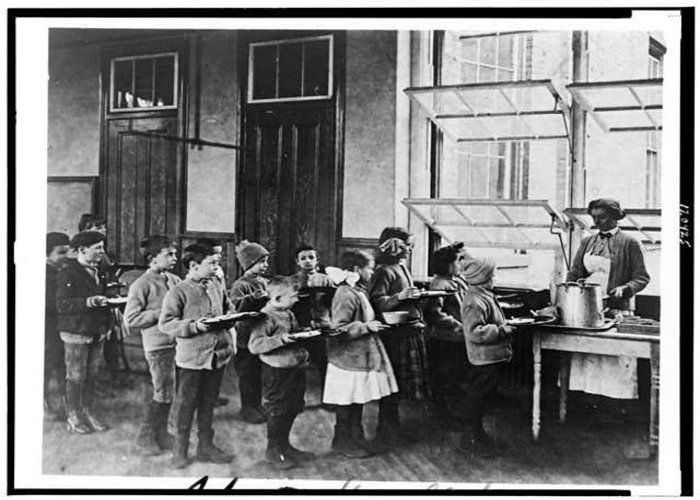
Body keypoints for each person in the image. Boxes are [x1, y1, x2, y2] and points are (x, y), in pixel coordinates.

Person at [159, 244, 236, 468]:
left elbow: (227, 307)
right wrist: (194, 326)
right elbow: (166, 323)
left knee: (208, 402)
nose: (217, 266)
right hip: (192, 359)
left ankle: (205, 447)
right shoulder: (179, 291)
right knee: (187, 404)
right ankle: (180, 449)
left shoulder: (215, 284)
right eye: (211, 263)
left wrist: (231, 316)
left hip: (217, 356)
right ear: (193, 266)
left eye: (216, 262)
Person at [566, 198, 650, 403]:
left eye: (602, 217)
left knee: (614, 361)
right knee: (587, 358)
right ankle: (588, 403)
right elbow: (575, 271)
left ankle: (616, 407)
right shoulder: (587, 241)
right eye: (594, 218)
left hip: (617, 309)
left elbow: (642, 277)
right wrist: (572, 286)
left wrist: (625, 288)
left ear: (614, 216)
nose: (597, 222)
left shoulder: (630, 242)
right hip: (588, 307)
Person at [324, 250, 397, 458]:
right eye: (369, 268)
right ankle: (343, 440)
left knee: (357, 398)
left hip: (358, 354)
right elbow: (339, 328)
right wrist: (366, 327)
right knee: (347, 399)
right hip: (348, 358)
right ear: (356, 269)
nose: (372, 272)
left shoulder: (358, 290)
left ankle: (357, 437)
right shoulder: (345, 293)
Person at [368, 227, 429, 445]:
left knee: (400, 384)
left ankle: (392, 426)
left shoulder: (401, 267)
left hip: (408, 332)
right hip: (395, 336)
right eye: (408, 245)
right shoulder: (383, 271)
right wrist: (400, 296)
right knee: (391, 384)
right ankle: (385, 429)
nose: (412, 249)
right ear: (395, 246)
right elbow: (377, 301)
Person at [248, 276, 314, 470]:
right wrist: (282, 339)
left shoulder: (287, 312)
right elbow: (255, 345)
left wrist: (305, 332)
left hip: (293, 368)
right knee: (278, 409)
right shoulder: (265, 316)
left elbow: (292, 333)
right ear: (277, 298)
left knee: (293, 406)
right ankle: (273, 449)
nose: (297, 299)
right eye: (293, 296)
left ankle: (285, 445)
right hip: (277, 371)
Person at [124, 236, 180, 456]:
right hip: (157, 346)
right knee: (161, 391)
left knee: (168, 392)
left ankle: (161, 433)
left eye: (174, 253)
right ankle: (144, 436)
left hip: (176, 344)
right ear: (152, 258)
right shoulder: (142, 284)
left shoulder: (175, 280)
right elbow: (132, 319)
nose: (174, 258)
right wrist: (162, 314)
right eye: (169, 254)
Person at [56, 231, 113, 435]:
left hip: (97, 330)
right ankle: (73, 415)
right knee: (77, 375)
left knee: (92, 375)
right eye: (97, 248)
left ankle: (88, 411)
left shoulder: (101, 270)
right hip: (76, 332)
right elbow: (62, 304)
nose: (102, 252)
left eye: (102, 247)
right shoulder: (67, 272)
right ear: (82, 250)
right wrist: (88, 302)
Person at [459, 258, 514, 458]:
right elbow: (474, 332)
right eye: (493, 275)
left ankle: (477, 434)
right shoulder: (474, 301)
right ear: (482, 279)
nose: (495, 278)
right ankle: (471, 437)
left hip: (490, 357)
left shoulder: (483, 295)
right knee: (477, 398)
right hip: (483, 358)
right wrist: (500, 331)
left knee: (481, 397)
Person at [78, 213, 125, 388]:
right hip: (88, 305)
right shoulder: (82, 253)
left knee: (109, 338)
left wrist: (114, 288)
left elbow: (107, 276)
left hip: (106, 303)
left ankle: (114, 375)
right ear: (84, 231)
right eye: (97, 227)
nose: (103, 230)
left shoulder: (104, 253)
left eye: (104, 227)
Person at [424, 243, 468, 425]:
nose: (462, 264)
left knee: (453, 376)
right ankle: (441, 415)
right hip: (443, 339)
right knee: (442, 378)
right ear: (447, 264)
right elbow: (434, 313)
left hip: (457, 338)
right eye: (459, 260)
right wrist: (457, 325)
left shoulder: (457, 280)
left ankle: (451, 412)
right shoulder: (439, 283)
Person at [229, 240, 271, 424]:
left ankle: (257, 404)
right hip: (245, 337)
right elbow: (236, 309)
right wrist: (252, 299)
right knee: (247, 374)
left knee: (257, 373)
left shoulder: (264, 282)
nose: (266, 265)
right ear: (250, 263)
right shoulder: (240, 285)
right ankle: (247, 407)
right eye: (262, 262)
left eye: (266, 261)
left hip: (259, 335)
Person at [289, 244, 335, 399]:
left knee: (324, 362)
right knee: (299, 363)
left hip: (323, 326)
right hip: (300, 328)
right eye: (303, 258)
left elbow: (334, 302)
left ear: (317, 260)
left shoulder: (326, 280)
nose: (307, 261)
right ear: (297, 261)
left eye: (311, 257)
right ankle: (297, 400)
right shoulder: (292, 281)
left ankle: (327, 398)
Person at [45, 232, 70, 420]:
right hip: (48, 327)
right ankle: (44, 402)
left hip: (62, 326)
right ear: (47, 254)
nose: (66, 257)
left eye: (68, 253)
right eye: (61, 253)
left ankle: (66, 402)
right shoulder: (44, 275)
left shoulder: (63, 272)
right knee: (46, 364)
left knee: (63, 363)